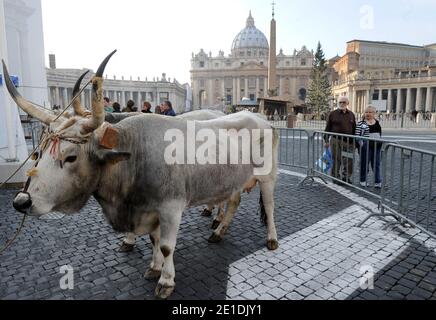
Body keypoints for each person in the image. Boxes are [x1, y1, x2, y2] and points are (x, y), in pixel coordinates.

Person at [324, 96, 357, 184]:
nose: (342, 104)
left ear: (347, 103)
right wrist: (326, 140)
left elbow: (354, 128)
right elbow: (327, 128)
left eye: (344, 102)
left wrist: (355, 141)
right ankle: (335, 177)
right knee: (336, 159)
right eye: (340, 102)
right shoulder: (332, 114)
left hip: (349, 142)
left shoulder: (351, 114)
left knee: (349, 160)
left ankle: (346, 177)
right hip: (336, 141)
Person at [356, 106, 383, 188]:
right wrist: (361, 144)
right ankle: (363, 180)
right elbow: (357, 135)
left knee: (376, 164)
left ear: (374, 113)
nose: (368, 114)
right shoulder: (361, 123)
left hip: (377, 146)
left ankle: (377, 181)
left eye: (370, 112)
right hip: (366, 146)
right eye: (366, 112)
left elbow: (379, 133)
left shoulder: (377, 122)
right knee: (364, 164)